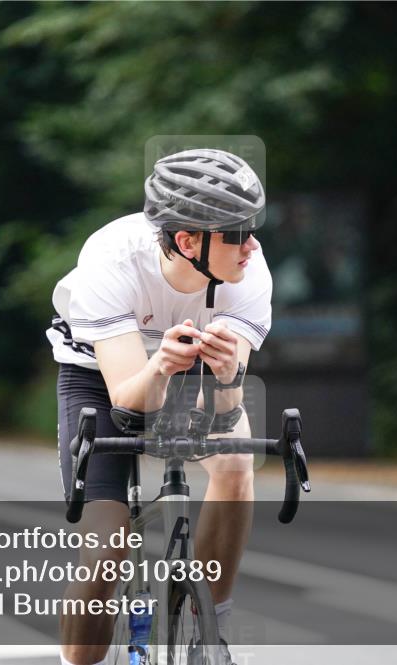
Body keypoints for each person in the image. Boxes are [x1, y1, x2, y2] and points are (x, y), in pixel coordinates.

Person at [48, 148, 271, 665]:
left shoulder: (249, 272)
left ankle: (211, 629)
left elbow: (226, 407)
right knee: (108, 545)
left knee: (236, 462)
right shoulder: (110, 259)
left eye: (251, 228)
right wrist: (158, 366)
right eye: (236, 232)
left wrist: (225, 375)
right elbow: (129, 402)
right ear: (188, 240)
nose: (252, 244)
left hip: (188, 370)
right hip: (100, 378)